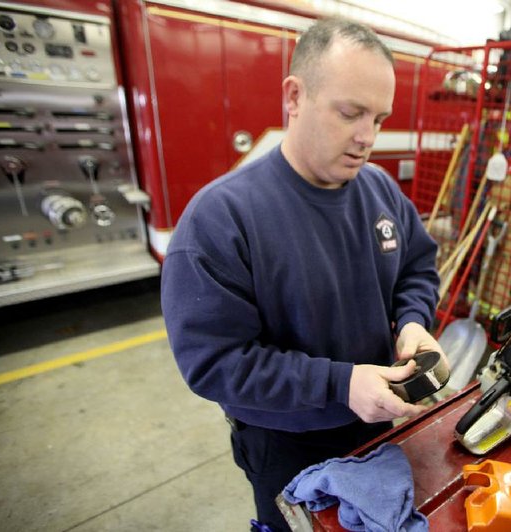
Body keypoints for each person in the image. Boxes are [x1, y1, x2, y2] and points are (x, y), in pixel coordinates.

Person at [160, 16, 444, 531]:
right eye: (350, 113)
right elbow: (214, 363)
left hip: (382, 421)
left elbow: (417, 268)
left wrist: (413, 322)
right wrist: (339, 383)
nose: (367, 138)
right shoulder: (221, 219)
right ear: (294, 96)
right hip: (289, 444)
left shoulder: (380, 191)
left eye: (378, 118)